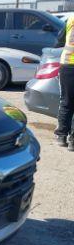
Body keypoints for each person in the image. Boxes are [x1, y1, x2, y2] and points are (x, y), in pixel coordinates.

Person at [55, 14, 74, 150]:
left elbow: (60, 40)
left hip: (67, 64)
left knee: (66, 101)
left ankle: (61, 136)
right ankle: (73, 141)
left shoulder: (71, 18)